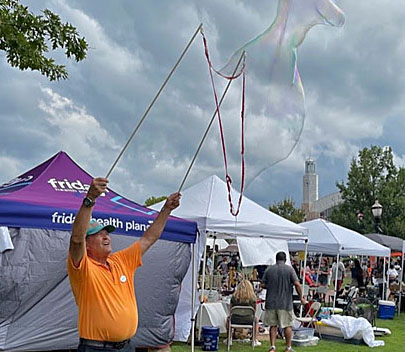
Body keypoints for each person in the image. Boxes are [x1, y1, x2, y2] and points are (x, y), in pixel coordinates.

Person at [67, 177, 181, 351]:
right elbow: (76, 239)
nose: (106, 237)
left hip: (126, 346)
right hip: (96, 348)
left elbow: (149, 238)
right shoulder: (83, 267)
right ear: (87, 244)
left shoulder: (121, 260)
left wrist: (166, 209)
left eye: (107, 233)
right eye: (99, 234)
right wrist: (90, 199)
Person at [261, 251, 307, 352]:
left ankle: (272, 347)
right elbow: (297, 284)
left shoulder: (269, 269)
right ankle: (288, 347)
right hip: (285, 303)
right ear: (285, 259)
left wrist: (271, 285)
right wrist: (301, 298)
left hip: (271, 302)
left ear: (276, 259)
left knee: (273, 325)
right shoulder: (290, 270)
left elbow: (263, 284)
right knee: (287, 325)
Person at [226, 280, 261, 346]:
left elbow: (231, 310)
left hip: (235, 319)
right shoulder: (253, 298)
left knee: (228, 319)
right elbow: (254, 311)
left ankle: (229, 338)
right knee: (256, 320)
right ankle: (255, 340)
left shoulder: (234, 298)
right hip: (249, 319)